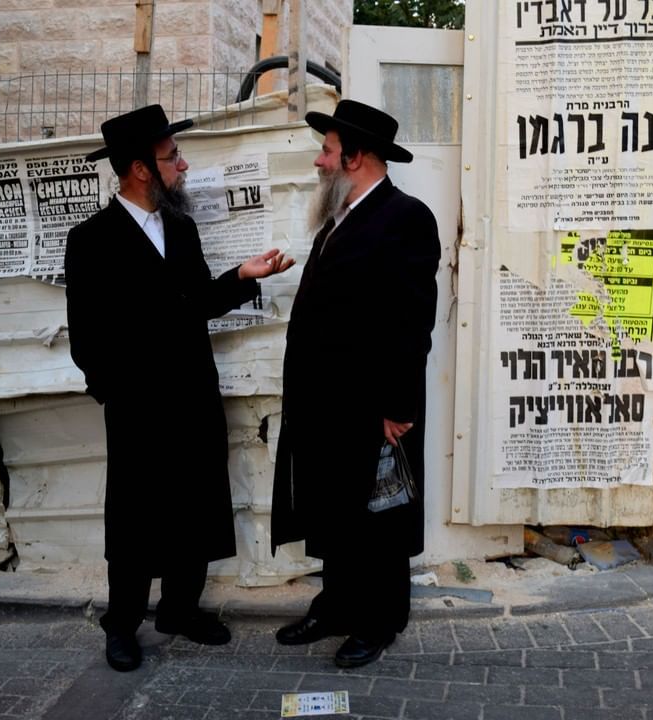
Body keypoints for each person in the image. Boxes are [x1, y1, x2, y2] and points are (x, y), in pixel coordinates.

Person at [65, 104, 294, 672]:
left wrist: (242, 278)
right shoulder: (91, 239)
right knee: (135, 518)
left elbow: (197, 305)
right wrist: (115, 394)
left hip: (192, 396)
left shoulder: (182, 229)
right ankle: (121, 624)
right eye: (172, 158)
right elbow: (86, 339)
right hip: (138, 407)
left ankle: (180, 610)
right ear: (140, 169)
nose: (183, 167)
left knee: (195, 505)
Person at [270, 100, 441, 668]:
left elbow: (412, 322)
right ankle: (337, 605)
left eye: (327, 150)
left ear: (358, 157)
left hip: (373, 407)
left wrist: (397, 406)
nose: (319, 161)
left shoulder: (406, 217)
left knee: (378, 517)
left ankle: (380, 620)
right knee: (334, 513)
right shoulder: (338, 216)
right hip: (325, 406)